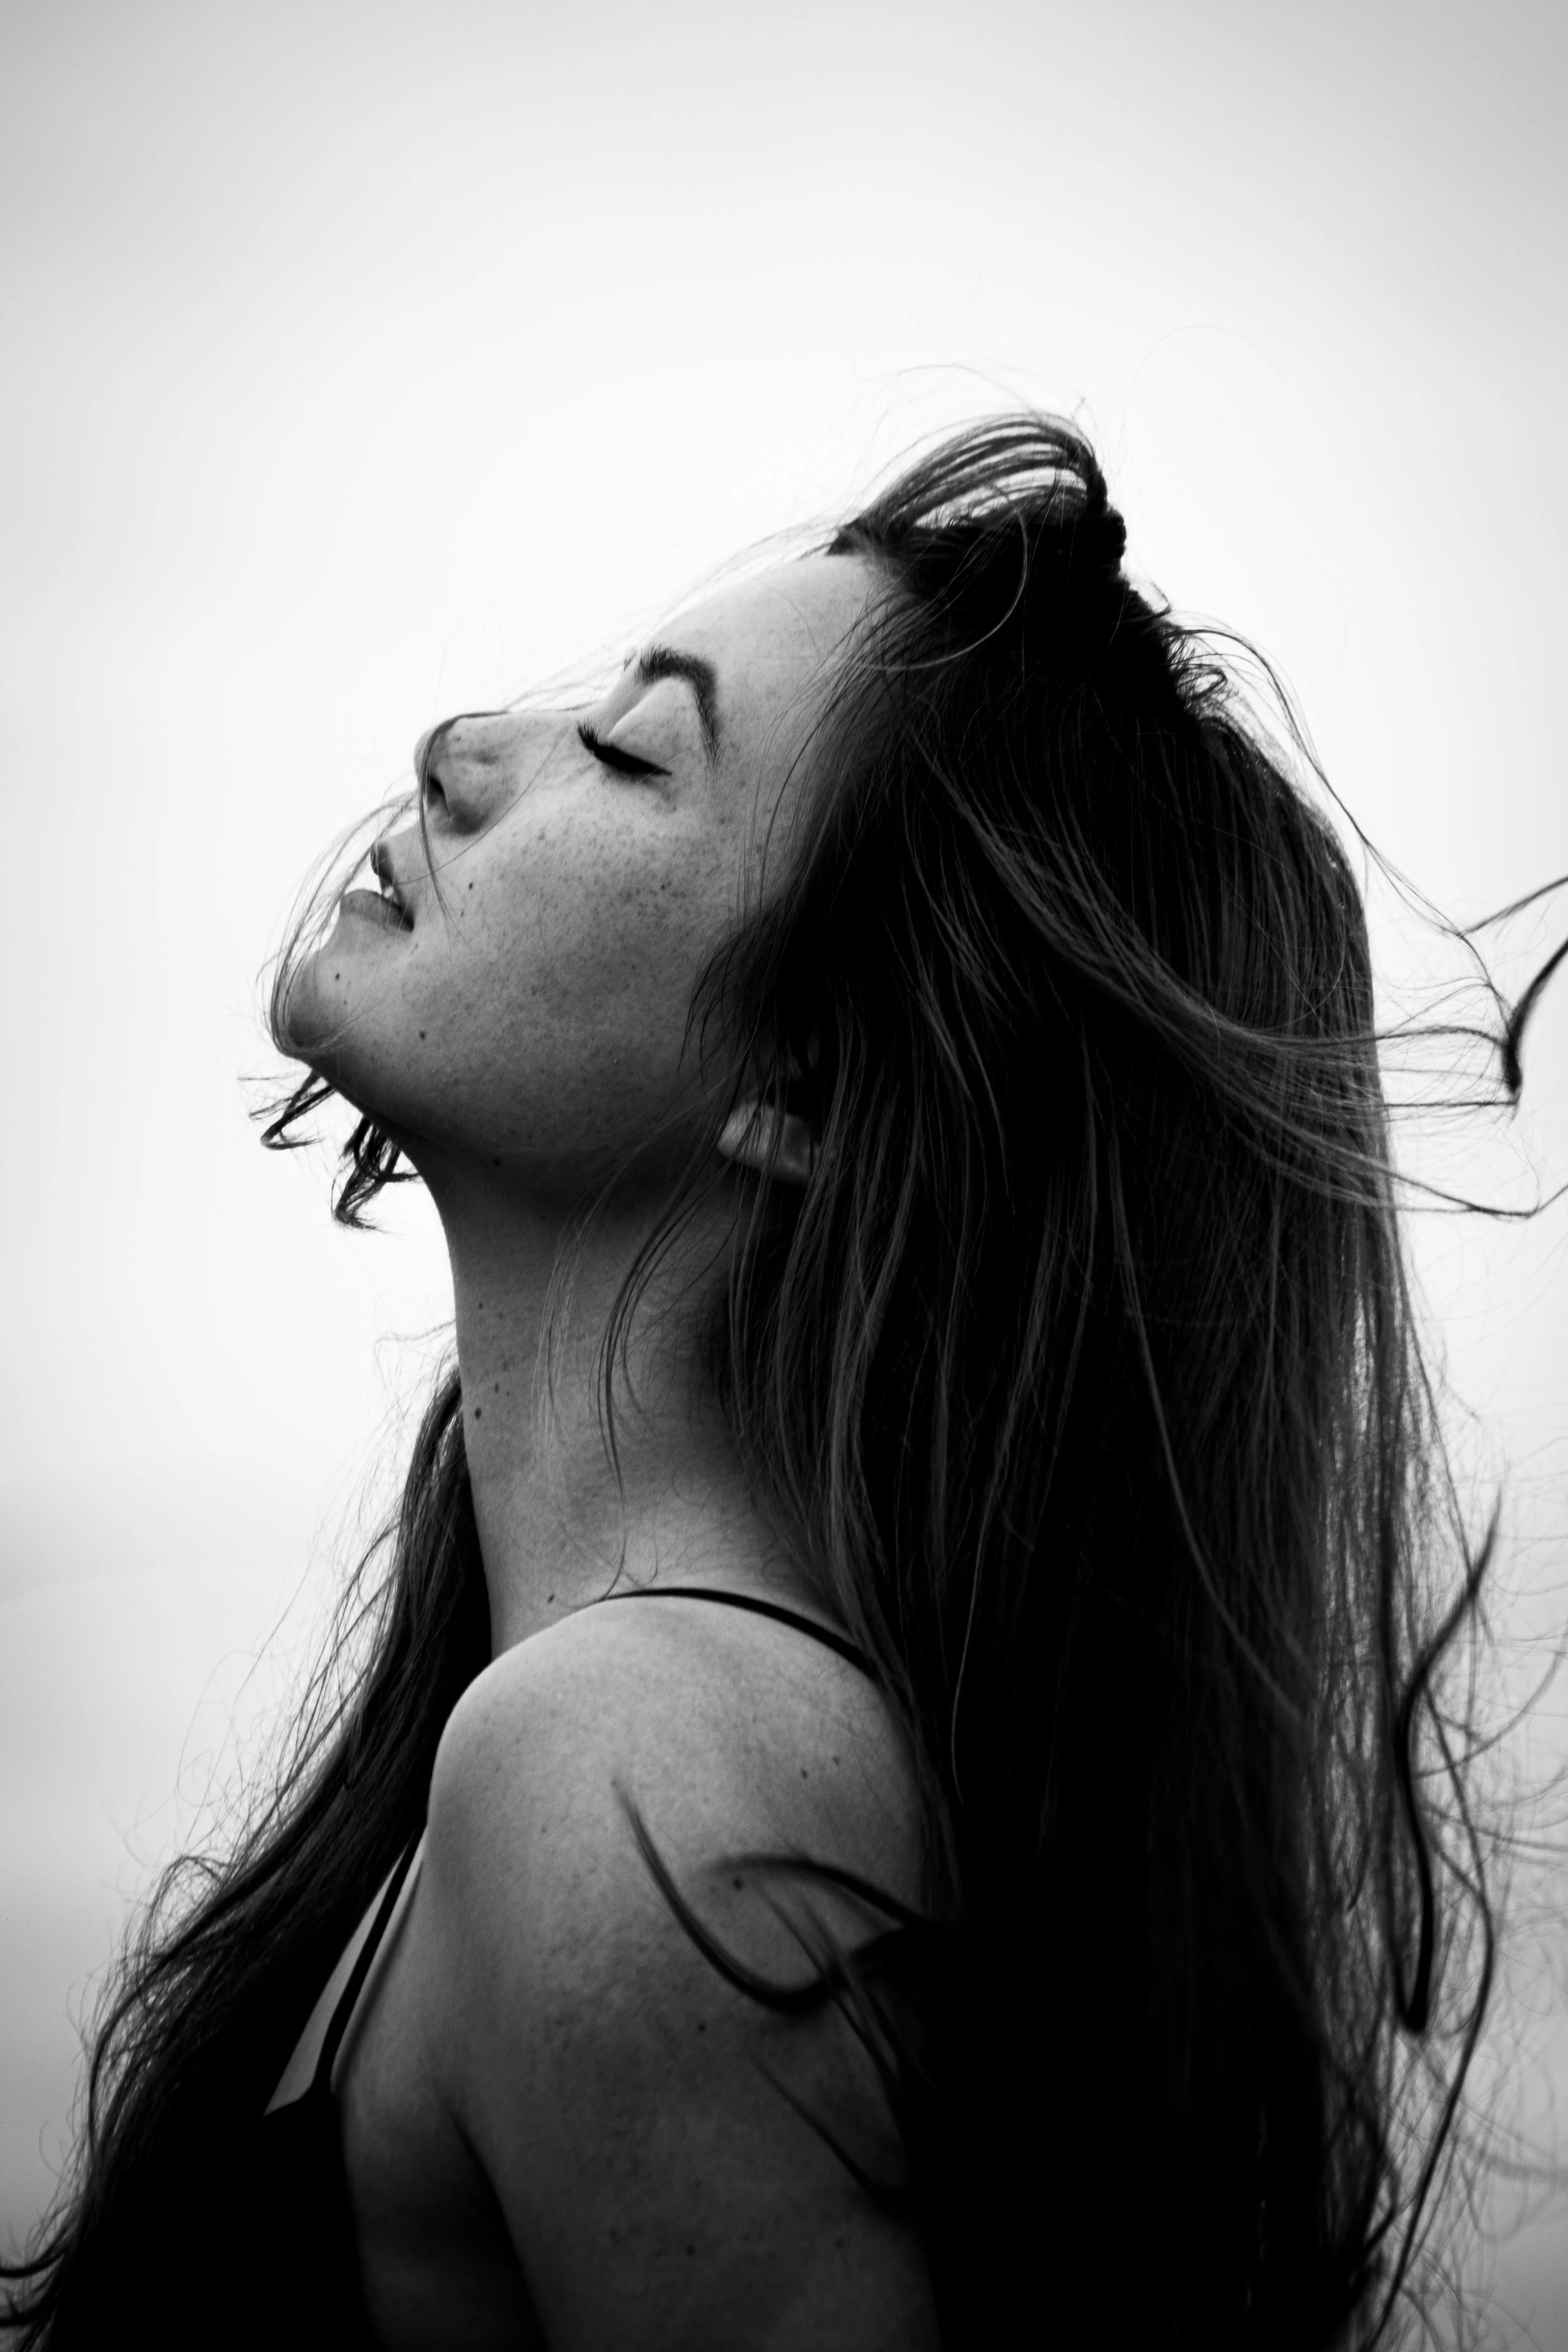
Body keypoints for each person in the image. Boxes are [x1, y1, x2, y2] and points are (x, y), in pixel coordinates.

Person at [3, 415, 1532, 2349]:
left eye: (636, 752)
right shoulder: (591, 1734)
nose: (466, 744)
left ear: (803, 1079)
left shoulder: (632, 1775)